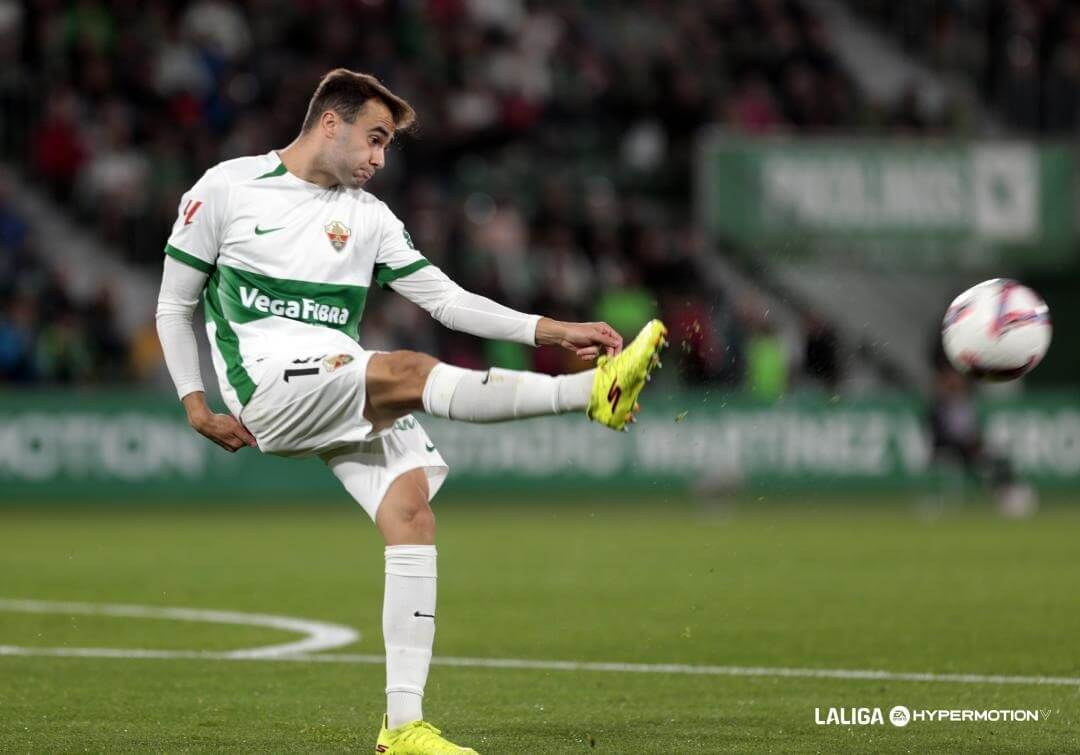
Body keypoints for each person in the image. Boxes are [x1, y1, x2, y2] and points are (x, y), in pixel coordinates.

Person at [155, 68, 667, 754]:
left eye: (388, 146)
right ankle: (588, 396)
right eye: (373, 139)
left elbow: (449, 300)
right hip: (268, 385)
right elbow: (174, 303)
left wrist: (550, 329)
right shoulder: (227, 188)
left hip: (333, 382)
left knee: (411, 511)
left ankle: (402, 728)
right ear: (328, 123)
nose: (379, 159)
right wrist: (194, 401)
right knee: (406, 370)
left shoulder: (368, 217)